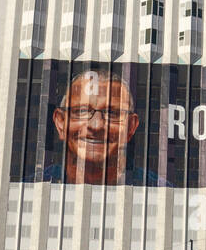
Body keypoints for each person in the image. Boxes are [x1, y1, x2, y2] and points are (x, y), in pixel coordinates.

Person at [33, 70, 167, 186]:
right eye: (82, 111)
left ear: (131, 126)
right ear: (60, 122)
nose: (96, 125)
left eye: (112, 113)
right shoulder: (30, 187)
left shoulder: (161, 191)